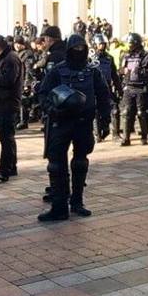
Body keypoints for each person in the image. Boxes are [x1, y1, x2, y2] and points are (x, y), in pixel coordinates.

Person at [37, 34, 110, 221]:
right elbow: (43, 93)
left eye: (81, 49)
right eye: (75, 49)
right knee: (56, 165)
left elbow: (103, 95)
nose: (78, 52)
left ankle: (77, 202)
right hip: (61, 122)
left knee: (80, 163)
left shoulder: (92, 71)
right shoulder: (57, 71)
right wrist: (52, 110)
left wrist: (105, 120)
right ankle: (59, 206)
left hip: (83, 123)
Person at [0, 35, 23, 182]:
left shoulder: (10, 59)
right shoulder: (4, 58)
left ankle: (5, 169)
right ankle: (11, 166)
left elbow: (8, 80)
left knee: (6, 138)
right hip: (2, 103)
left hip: (6, 103)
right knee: (7, 137)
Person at [119, 33, 148, 146]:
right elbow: (120, 70)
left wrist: (143, 71)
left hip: (141, 88)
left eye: (131, 43)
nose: (129, 45)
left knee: (141, 113)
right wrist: (123, 71)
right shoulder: (126, 56)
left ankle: (144, 136)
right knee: (126, 112)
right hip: (129, 87)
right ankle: (126, 138)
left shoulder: (147, 56)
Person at [92, 34, 121, 143]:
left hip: (107, 87)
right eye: (100, 44)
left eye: (104, 44)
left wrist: (119, 88)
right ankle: (97, 135)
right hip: (95, 88)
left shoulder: (109, 58)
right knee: (95, 112)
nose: (102, 46)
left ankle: (116, 134)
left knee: (114, 110)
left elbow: (114, 75)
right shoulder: (90, 58)